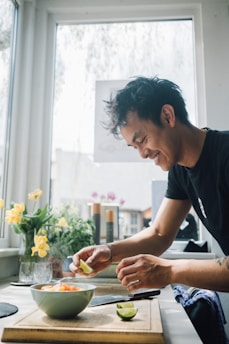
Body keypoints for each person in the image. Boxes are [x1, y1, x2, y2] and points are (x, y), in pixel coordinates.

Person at [70, 76, 229, 292]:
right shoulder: (180, 170)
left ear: (167, 116)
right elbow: (159, 234)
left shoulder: (225, 154)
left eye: (143, 140)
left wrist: (169, 271)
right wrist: (109, 251)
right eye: (134, 146)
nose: (143, 154)